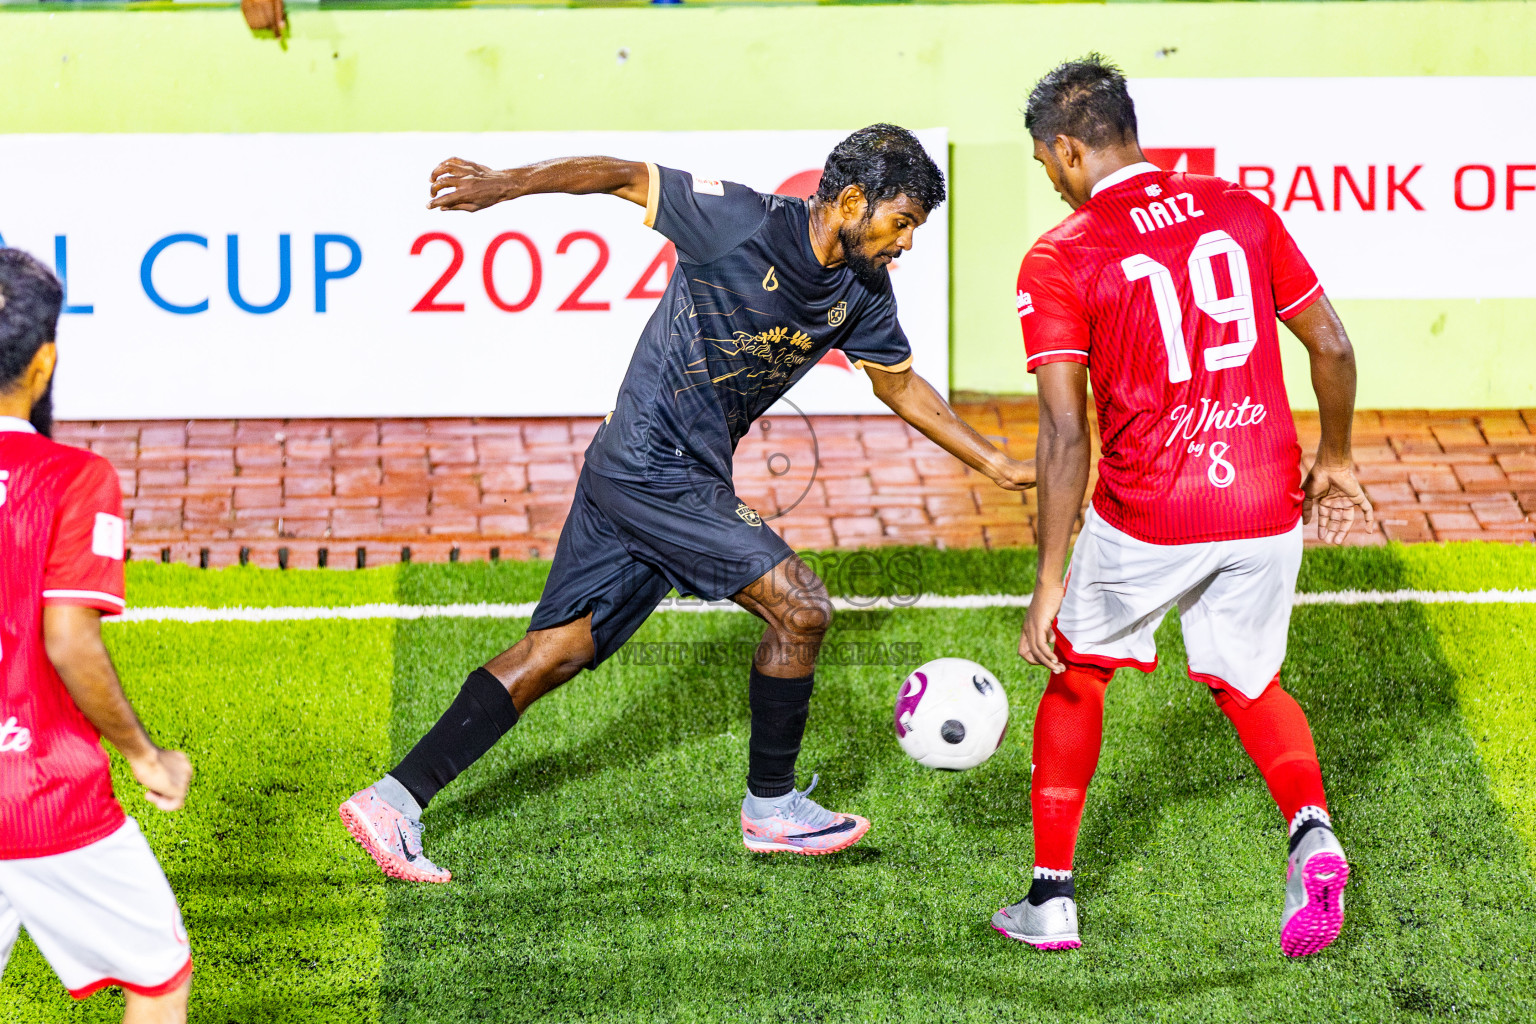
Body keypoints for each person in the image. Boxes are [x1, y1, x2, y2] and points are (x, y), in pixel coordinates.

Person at [341, 125, 1035, 882]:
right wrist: (503, 184)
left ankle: (391, 801)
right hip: (650, 465)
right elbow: (619, 174)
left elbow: (897, 383)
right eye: (901, 224)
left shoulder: (863, 289)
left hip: (647, 472)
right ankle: (771, 808)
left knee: (559, 650)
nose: (905, 244)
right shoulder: (739, 221)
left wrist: (994, 461)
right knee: (799, 607)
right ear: (851, 200)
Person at [991, 57, 1372, 957]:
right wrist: (1339, 455)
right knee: (1249, 681)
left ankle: (1050, 900)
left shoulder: (1062, 254)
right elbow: (1334, 343)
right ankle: (1311, 829)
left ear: (1069, 147)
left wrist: (1049, 579)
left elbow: (1063, 434)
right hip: (1264, 498)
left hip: (1151, 514)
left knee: (1075, 671)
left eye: (1046, 162)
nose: (1049, 179)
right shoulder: (1240, 207)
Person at [0, 249, 195, 1020]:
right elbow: (68, 639)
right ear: (44, 361)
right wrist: (146, 757)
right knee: (158, 978)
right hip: (43, 796)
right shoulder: (74, 478)